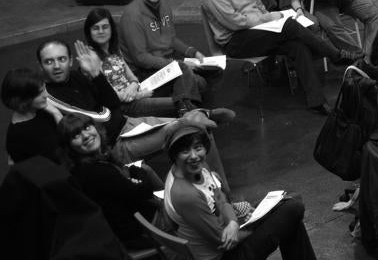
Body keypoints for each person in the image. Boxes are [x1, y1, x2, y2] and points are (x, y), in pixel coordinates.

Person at [162, 118, 340, 260]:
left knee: (289, 206)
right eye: (185, 151)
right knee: (293, 207)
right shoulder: (185, 194)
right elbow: (224, 242)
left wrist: (232, 221)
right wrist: (251, 224)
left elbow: (220, 198)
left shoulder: (196, 170)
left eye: (198, 147)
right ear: (174, 154)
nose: (194, 156)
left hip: (216, 250)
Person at [202, 0, 354, 115]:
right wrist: (267, 18)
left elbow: (257, 4)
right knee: (289, 25)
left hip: (257, 30)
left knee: (298, 46)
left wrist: (266, 19)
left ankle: (316, 101)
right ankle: (335, 54)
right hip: (235, 40)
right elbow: (235, 22)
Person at [36, 39, 232, 174]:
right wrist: (102, 88)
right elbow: (103, 117)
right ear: (40, 66)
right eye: (49, 61)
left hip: (129, 123)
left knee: (201, 131)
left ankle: (217, 192)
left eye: (61, 59)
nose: (56, 66)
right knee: (192, 128)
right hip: (114, 144)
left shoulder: (79, 76)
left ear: (70, 61)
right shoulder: (48, 96)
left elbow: (112, 104)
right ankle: (194, 115)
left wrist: (97, 74)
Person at [59, 114, 164, 249]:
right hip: (143, 231)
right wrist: (137, 172)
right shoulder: (95, 172)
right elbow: (144, 193)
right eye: (76, 135)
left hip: (136, 223)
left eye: (86, 127)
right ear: (69, 147)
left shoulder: (89, 164)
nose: (85, 135)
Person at [118, 0, 209, 116]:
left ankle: (185, 106)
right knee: (197, 82)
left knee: (207, 74)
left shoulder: (164, 5)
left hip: (165, 65)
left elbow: (170, 39)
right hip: (144, 73)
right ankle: (188, 111)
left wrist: (192, 52)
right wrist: (174, 65)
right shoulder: (132, 16)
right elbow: (140, 58)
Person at [85, 8, 178, 118]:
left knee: (178, 72)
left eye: (105, 27)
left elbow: (132, 77)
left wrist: (134, 85)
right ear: (89, 32)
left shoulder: (113, 49)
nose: (101, 31)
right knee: (178, 103)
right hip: (125, 106)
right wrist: (139, 95)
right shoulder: (91, 57)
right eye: (96, 28)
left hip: (136, 91)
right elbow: (110, 94)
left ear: (111, 29)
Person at [3, 67, 63, 164]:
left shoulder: (41, 110)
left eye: (45, 88)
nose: (46, 95)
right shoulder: (18, 136)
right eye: (40, 92)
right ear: (23, 100)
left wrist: (56, 113)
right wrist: (57, 115)